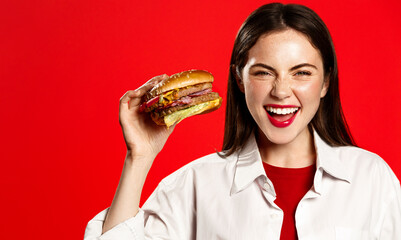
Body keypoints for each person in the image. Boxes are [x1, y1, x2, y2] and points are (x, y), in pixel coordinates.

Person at [84, 3, 401, 239]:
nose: (281, 92)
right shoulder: (196, 185)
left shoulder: (372, 179)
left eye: (301, 72)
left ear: (326, 83)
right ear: (239, 79)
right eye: (263, 72)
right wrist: (139, 158)